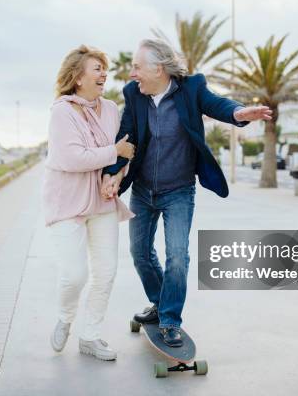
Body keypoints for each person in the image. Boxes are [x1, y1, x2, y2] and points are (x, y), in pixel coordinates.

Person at [101, 39, 272, 347]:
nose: (132, 74)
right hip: (142, 190)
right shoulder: (133, 96)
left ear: (159, 69)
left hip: (179, 191)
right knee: (140, 254)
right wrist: (112, 174)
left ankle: (169, 320)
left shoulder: (191, 88)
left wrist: (240, 113)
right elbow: (125, 139)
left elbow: (217, 104)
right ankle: (159, 303)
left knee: (177, 257)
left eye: (137, 67)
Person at [43, 45, 135, 361]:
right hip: (67, 201)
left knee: (106, 271)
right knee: (75, 274)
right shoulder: (62, 111)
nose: (103, 75)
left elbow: (126, 151)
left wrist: (116, 178)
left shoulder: (110, 108)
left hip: (103, 200)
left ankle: (91, 336)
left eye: (104, 69)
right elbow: (71, 158)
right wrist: (115, 154)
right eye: (97, 69)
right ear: (77, 76)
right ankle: (65, 318)